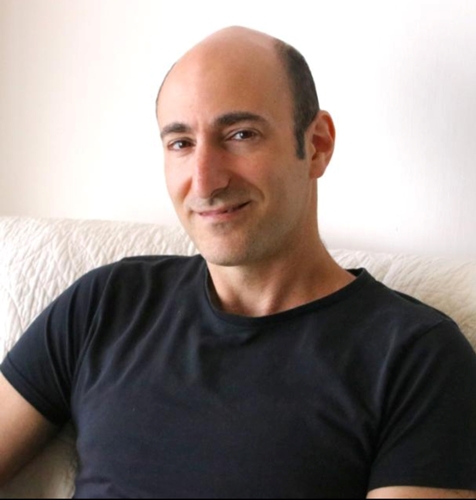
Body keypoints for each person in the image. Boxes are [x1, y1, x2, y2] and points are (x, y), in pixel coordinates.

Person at [1, 26, 475, 499]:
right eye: (181, 143)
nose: (205, 181)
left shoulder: (417, 357)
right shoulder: (107, 302)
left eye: (241, 134)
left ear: (317, 145)